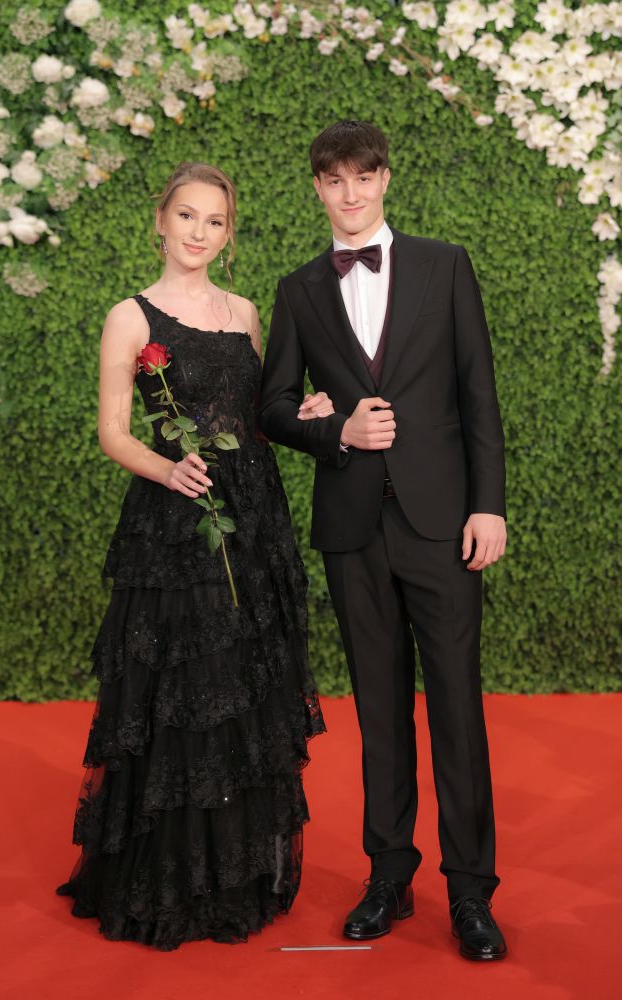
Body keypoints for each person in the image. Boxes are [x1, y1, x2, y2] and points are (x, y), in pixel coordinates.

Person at [56, 161, 333, 951]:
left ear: (227, 233)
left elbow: (258, 417)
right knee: (182, 691)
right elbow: (113, 431)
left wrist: (303, 411)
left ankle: (236, 875)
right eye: (187, 215)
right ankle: (169, 881)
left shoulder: (244, 312)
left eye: (214, 220)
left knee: (242, 686)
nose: (199, 232)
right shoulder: (129, 317)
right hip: (177, 522)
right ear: (161, 220)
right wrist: (168, 469)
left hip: (252, 518)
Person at [259, 121, 508, 961]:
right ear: (317, 188)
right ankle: (388, 875)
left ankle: (469, 891)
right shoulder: (298, 290)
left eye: (362, 177)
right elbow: (272, 407)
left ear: (385, 179)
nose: (350, 193)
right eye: (334, 180)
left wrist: (487, 507)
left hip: (443, 524)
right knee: (377, 711)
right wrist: (334, 433)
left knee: (457, 709)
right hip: (352, 531)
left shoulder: (445, 265)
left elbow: (477, 393)